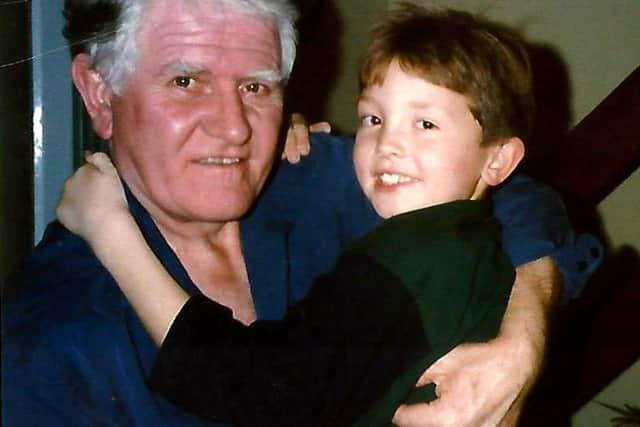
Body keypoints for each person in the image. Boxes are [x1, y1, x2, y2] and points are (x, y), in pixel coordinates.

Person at [1, 0, 602, 426]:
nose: (234, 127)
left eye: (257, 87)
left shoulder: (328, 180)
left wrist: (521, 341)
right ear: (100, 95)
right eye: (186, 81)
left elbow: (519, 200)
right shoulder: (51, 341)